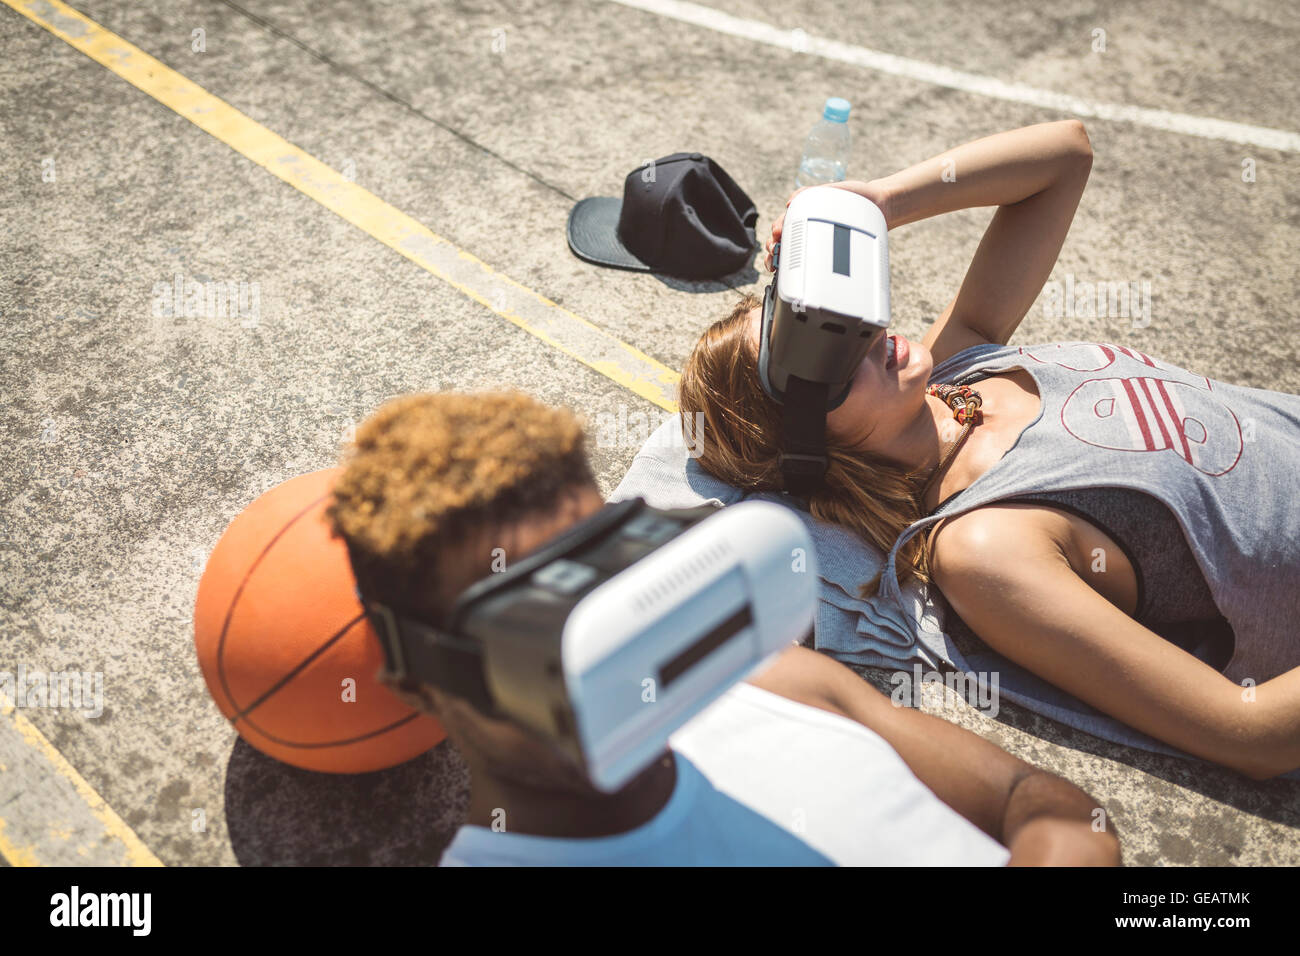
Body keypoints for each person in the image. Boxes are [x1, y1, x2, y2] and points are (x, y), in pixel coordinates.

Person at [679, 120, 1300, 779]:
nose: (863, 333)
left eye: (820, 310)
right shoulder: (984, 549)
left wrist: (879, 204)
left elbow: (1064, 157)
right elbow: (1250, 732)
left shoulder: (960, 366)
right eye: (822, 350)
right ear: (803, 445)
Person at [325, 390, 1120, 866]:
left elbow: (1043, 805)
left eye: (602, 574)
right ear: (421, 679)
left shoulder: (769, 683)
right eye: (532, 621)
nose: (600, 644)